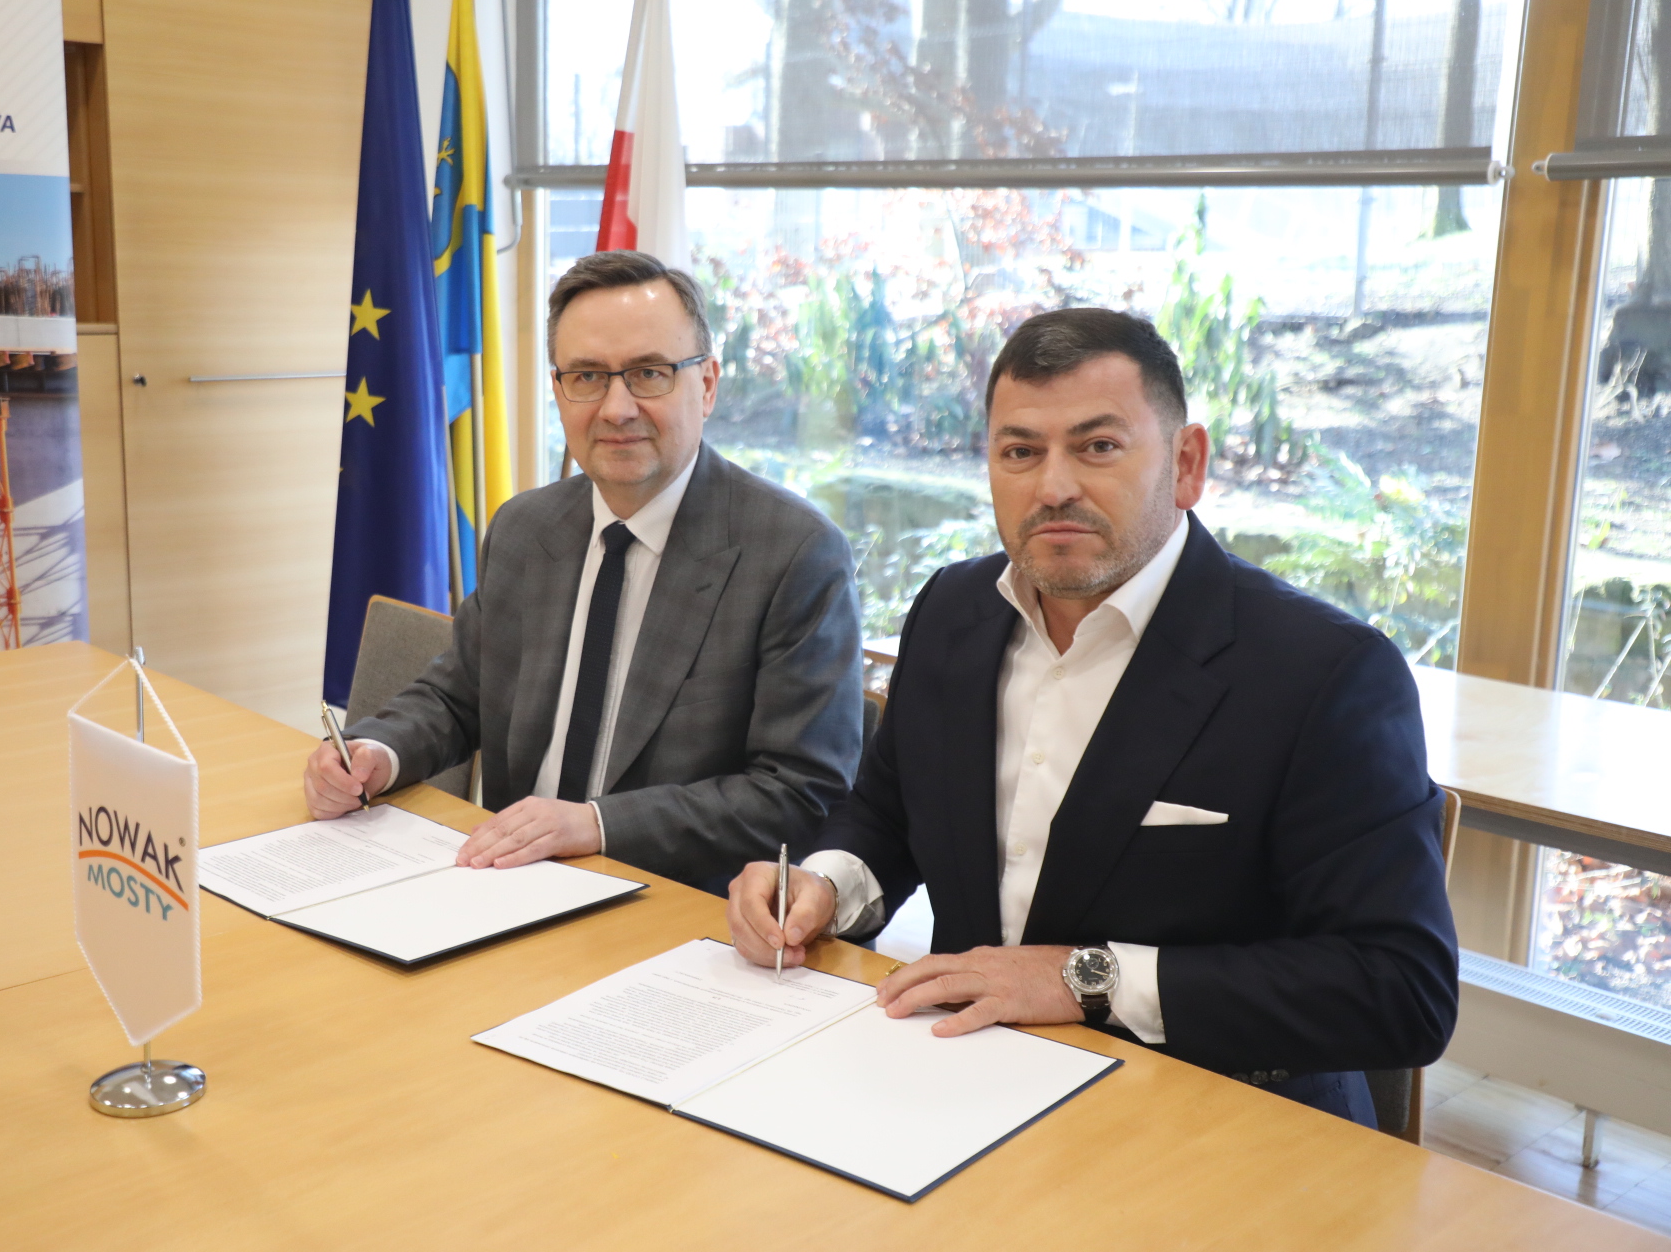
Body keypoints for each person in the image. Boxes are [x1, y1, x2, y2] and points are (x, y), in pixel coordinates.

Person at [726, 308, 1458, 1126]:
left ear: (1186, 464)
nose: (1053, 488)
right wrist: (824, 884)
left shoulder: (1324, 672)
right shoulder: (953, 610)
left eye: (1099, 446)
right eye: (1020, 452)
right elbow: (890, 815)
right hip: (962, 1085)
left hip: (1217, 1118)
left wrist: (1082, 980)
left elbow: (1402, 989)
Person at [305, 250, 864, 892]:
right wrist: (377, 753)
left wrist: (597, 825)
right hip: (505, 884)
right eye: (588, 376)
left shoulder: (795, 554)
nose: (616, 408)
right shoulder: (525, 528)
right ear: (559, 390)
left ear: (707, 385)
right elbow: (457, 697)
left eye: (649, 373)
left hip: (671, 905)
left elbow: (795, 793)